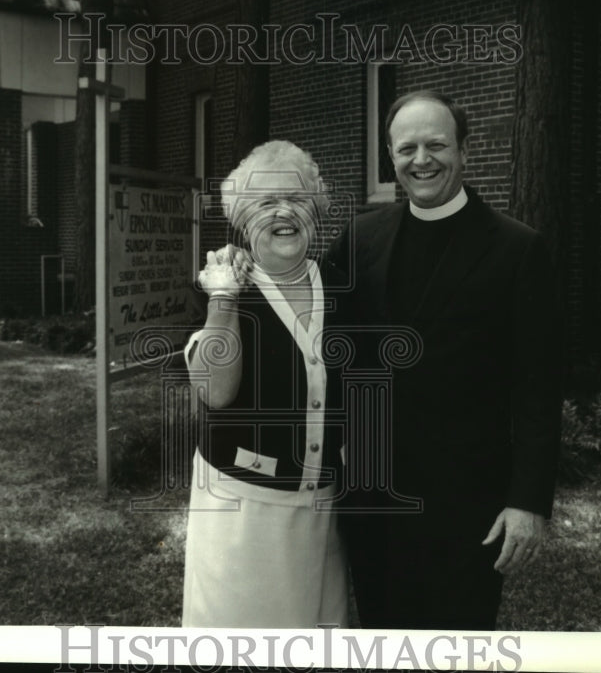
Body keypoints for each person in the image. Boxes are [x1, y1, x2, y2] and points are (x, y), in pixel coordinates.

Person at [326, 90, 562, 630]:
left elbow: (538, 385)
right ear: (391, 156)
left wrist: (527, 501)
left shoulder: (517, 249)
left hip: (467, 503)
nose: (422, 159)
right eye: (407, 147)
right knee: (383, 639)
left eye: (437, 144)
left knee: (458, 643)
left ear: (464, 151)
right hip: (372, 496)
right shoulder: (361, 238)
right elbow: (320, 339)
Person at [181, 140, 349, 628]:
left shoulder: (341, 286)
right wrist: (224, 299)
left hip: (320, 515)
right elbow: (214, 392)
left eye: (298, 200)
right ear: (241, 217)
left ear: (316, 210)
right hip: (241, 516)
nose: (284, 213)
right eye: (265, 203)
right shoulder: (221, 284)